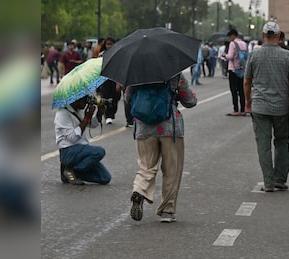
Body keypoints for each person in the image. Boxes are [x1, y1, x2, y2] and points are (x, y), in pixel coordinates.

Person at [128, 72, 197, 223]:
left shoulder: (135, 74)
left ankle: (139, 190)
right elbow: (190, 101)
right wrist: (175, 94)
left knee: (146, 165)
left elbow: (128, 99)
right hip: (169, 126)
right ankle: (167, 210)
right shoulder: (174, 73)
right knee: (171, 169)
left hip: (143, 126)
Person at [244, 21, 289, 192]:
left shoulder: (254, 55)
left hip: (260, 106)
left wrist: (248, 101)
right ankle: (280, 179)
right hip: (281, 106)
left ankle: (268, 182)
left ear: (263, 35)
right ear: (278, 35)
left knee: (263, 145)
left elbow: (246, 81)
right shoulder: (288, 56)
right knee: (282, 142)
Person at [54, 94, 111, 185]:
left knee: (105, 178)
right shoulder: (62, 114)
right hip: (69, 151)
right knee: (99, 152)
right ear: (75, 99)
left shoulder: (78, 110)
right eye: (84, 99)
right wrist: (86, 118)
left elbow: (92, 124)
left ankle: (71, 173)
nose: (86, 102)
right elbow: (72, 138)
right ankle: (70, 170)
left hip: (82, 150)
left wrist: (99, 113)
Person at [96, 37, 123, 125]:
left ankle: (112, 113)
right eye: (107, 44)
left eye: (111, 44)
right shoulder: (101, 55)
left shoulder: (118, 54)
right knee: (106, 97)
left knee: (116, 97)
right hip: (105, 79)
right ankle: (108, 115)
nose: (109, 46)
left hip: (115, 79)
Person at [225, 29, 248, 115]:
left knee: (234, 90)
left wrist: (225, 55)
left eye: (230, 36)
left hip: (233, 69)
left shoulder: (233, 43)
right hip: (242, 69)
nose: (230, 38)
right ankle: (243, 109)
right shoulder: (244, 43)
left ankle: (236, 110)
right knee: (242, 90)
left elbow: (230, 56)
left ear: (233, 35)